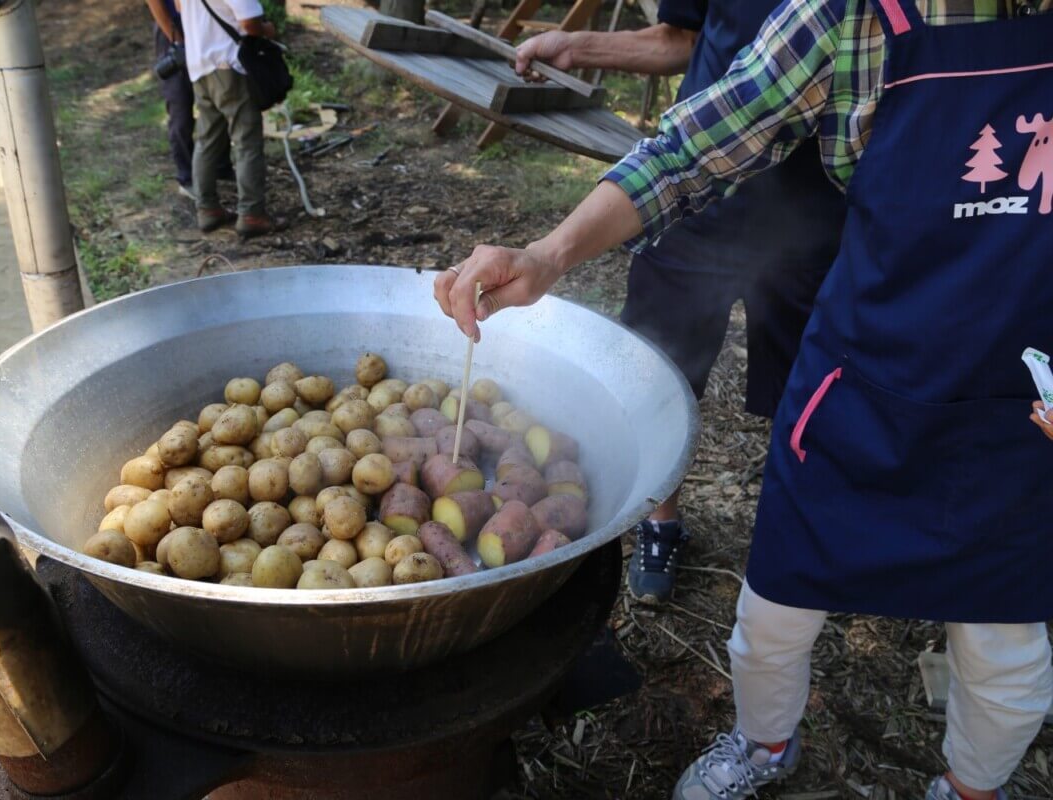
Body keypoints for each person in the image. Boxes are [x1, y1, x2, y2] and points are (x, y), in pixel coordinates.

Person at [435, 0, 1053, 797]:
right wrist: (551, 253)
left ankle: (973, 789)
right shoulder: (849, 17)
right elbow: (693, 147)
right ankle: (764, 746)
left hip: (1018, 406)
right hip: (860, 385)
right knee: (771, 621)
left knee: (1006, 649)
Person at [513, 1, 846, 606]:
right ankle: (659, 523)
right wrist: (579, 47)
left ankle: (795, 539)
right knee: (655, 372)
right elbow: (678, 40)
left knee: (806, 398)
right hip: (698, 205)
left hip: (812, 221)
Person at [178, 0, 278, 236]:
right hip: (228, 64)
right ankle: (252, 213)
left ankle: (207, 209)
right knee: (247, 141)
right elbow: (250, 22)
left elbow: (181, 7)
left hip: (199, 65)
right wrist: (267, 30)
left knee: (207, 140)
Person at [144, 0, 234, 199]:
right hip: (174, 29)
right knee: (180, 106)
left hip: (204, 22)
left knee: (218, 95)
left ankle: (221, 165)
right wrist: (175, 38)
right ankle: (187, 176)